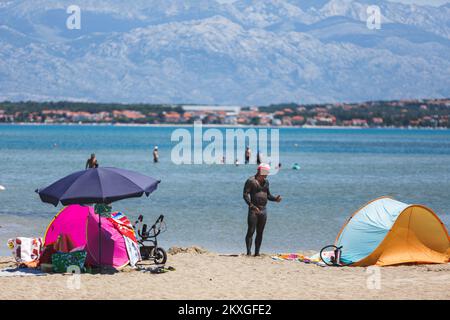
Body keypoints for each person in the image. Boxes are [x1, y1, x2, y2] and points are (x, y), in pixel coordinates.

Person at [243, 163, 282, 256]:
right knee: (251, 231)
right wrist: (251, 205)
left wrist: (275, 199)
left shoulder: (266, 182)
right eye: (265, 172)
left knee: (260, 232)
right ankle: (248, 252)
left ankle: (257, 253)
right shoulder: (251, 181)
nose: (267, 174)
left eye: (267, 172)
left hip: (263, 210)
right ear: (260, 171)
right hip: (253, 210)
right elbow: (245, 194)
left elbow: (268, 195)